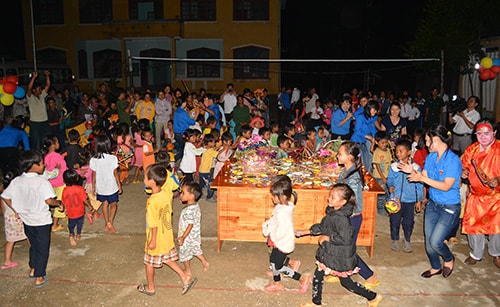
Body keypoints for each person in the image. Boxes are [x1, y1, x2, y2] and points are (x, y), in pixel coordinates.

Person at [297, 183, 383, 307]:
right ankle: (316, 303)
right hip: (330, 252)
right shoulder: (333, 212)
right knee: (318, 275)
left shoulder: (342, 219)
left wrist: (328, 238)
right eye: (330, 195)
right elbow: (322, 227)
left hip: (339, 256)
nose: (329, 199)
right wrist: (303, 232)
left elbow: (346, 239)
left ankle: (373, 297)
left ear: (342, 202)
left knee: (347, 283)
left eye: (333, 197)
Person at [400, 124, 461, 278]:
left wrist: (421, 177)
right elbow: (424, 178)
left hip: (449, 207)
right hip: (433, 204)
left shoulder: (453, 160)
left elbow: (446, 186)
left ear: (437, 140)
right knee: (429, 242)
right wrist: (413, 172)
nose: (426, 145)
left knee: (436, 242)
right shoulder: (431, 157)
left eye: (427, 141)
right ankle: (435, 266)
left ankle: (448, 258)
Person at [1, 150, 64, 288]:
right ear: (33, 166)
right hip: (41, 221)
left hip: (26, 221)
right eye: (41, 163)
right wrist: (59, 203)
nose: (44, 166)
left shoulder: (17, 181)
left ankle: (33, 269)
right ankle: (39, 276)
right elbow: (49, 201)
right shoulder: (42, 182)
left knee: (34, 246)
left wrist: (15, 210)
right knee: (42, 249)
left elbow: (5, 196)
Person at [137, 164, 197, 296]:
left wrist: (152, 241)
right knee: (167, 258)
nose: (144, 180)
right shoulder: (166, 193)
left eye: (145, 177)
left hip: (156, 237)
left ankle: (150, 287)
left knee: (148, 263)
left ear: (152, 181)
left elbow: (153, 224)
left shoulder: (152, 201)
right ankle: (185, 277)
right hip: (166, 234)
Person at [336, 141, 380, 289]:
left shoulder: (353, 177)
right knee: (341, 246)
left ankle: (370, 276)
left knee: (349, 250)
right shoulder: (346, 171)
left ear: (349, 157)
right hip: (346, 216)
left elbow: (350, 202)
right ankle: (341, 271)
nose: (337, 155)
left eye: (340, 153)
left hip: (351, 218)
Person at [460, 119, 500, 268]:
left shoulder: (499, 149)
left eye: (487, 133)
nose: (483, 136)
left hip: (496, 197)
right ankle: (476, 254)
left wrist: (498, 179)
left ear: (494, 133)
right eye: (479, 133)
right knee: (473, 226)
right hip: (476, 196)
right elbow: (463, 166)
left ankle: (496, 253)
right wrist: (463, 172)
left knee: (497, 227)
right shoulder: (471, 150)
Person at [261, 175, 311, 293]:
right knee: (274, 261)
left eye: (274, 196)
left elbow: (281, 229)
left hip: (281, 242)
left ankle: (301, 278)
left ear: (282, 197)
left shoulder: (283, 213)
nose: (272, 198)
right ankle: (277, 283)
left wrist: (270, 231)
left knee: (278, 265)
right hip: (277, 240)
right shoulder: (281, 206)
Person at [387, 140, 424, 253]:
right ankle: (395, 240)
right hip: (396, 200)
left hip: (410, 201)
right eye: (397, 151)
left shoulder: (415, 168)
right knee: (395, 221)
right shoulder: (394, 167)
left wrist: (419, 200)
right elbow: (390, 180)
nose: (398, 153)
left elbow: (419, 185)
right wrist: (390, 186)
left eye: (401, 151)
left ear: (409, 152)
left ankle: (407, 240)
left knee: (408, 222)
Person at [90, 135, 122, 233]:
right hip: (112, 186)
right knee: (114, 204)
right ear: (108, 145)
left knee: (104, 204)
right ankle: (110, 222)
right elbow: (115, 173)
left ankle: (106, 222)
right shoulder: (113, 158)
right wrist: (119, 185)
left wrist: (93, 187)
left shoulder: (93, 160)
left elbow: (93, 175)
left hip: (101, 187)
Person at [178, 181, 210, 275]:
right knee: (196, 249)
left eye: (183, 193)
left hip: (187, 236)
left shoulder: (188, 210)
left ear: (191, 196)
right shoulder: (195, 205)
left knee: (184, 254)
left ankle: (187, 270)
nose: (181, 195)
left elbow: (190, 225)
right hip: (194, 235)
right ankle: (205, 262)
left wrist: (183, 237)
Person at [1, 169, 27, 270]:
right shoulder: (15, 193)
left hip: (8, 219)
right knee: (28, 235)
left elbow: (3, 211)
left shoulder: (2, 195)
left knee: (10, 240)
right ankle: (35, 252)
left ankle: (7, 261)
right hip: (18, 217)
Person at [42, 135, 68, 232]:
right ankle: (55, 224)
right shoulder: (56, 156)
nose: (59, 144)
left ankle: (63, 213)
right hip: (60, 182)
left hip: (51, 184)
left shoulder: (46, 157)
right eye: (57, 142)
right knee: (60, 201)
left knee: (57, 199)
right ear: (53, 145)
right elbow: (64, 169)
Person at [62, 169, 93, 246]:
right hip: (80, 211)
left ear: (64, 180)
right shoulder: (80, 189)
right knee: (80, 224)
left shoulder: (65, 190)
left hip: (70, 212)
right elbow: (84, 200)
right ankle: (78, 235)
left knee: (70, 225)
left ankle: (71, 235)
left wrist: (64, 209)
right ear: (77, 179)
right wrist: (90, 206)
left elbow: (64, 201)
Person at [351, 100, 379, 173]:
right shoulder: (360, 117)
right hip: (356, 141)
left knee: (367, 160)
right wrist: (368, 137)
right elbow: (357, 131)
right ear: (369, 108)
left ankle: (367, 176)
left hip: (363, 142)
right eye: (374, 109)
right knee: (359, 161)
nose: (375, 112)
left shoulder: (372, 118)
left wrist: (376, 138)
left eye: (376, 110)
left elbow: (373, 129)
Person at [371, 131, 391, 216]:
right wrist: (382, 177)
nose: (384, 145)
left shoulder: (388, 151)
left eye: (386, 142)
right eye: (382, 143)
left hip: (388, 176)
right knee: (381, 194)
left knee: (388, 193)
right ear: (376, 142)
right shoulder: (377, 152)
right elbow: (377, 165)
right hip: (379, 177)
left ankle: (388, 208)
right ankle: (381, 209)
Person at [198, 134, 218, 202]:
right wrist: (224, 148)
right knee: (210, 184)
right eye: (213, 142)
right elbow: (217, 154)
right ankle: (209, 197)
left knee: (201, 184)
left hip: (201, 170)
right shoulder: (210, 151)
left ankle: (199, 195)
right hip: (206, 171)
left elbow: (214, 151)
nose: (214, 143)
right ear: (209, 143)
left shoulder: (204, 148)